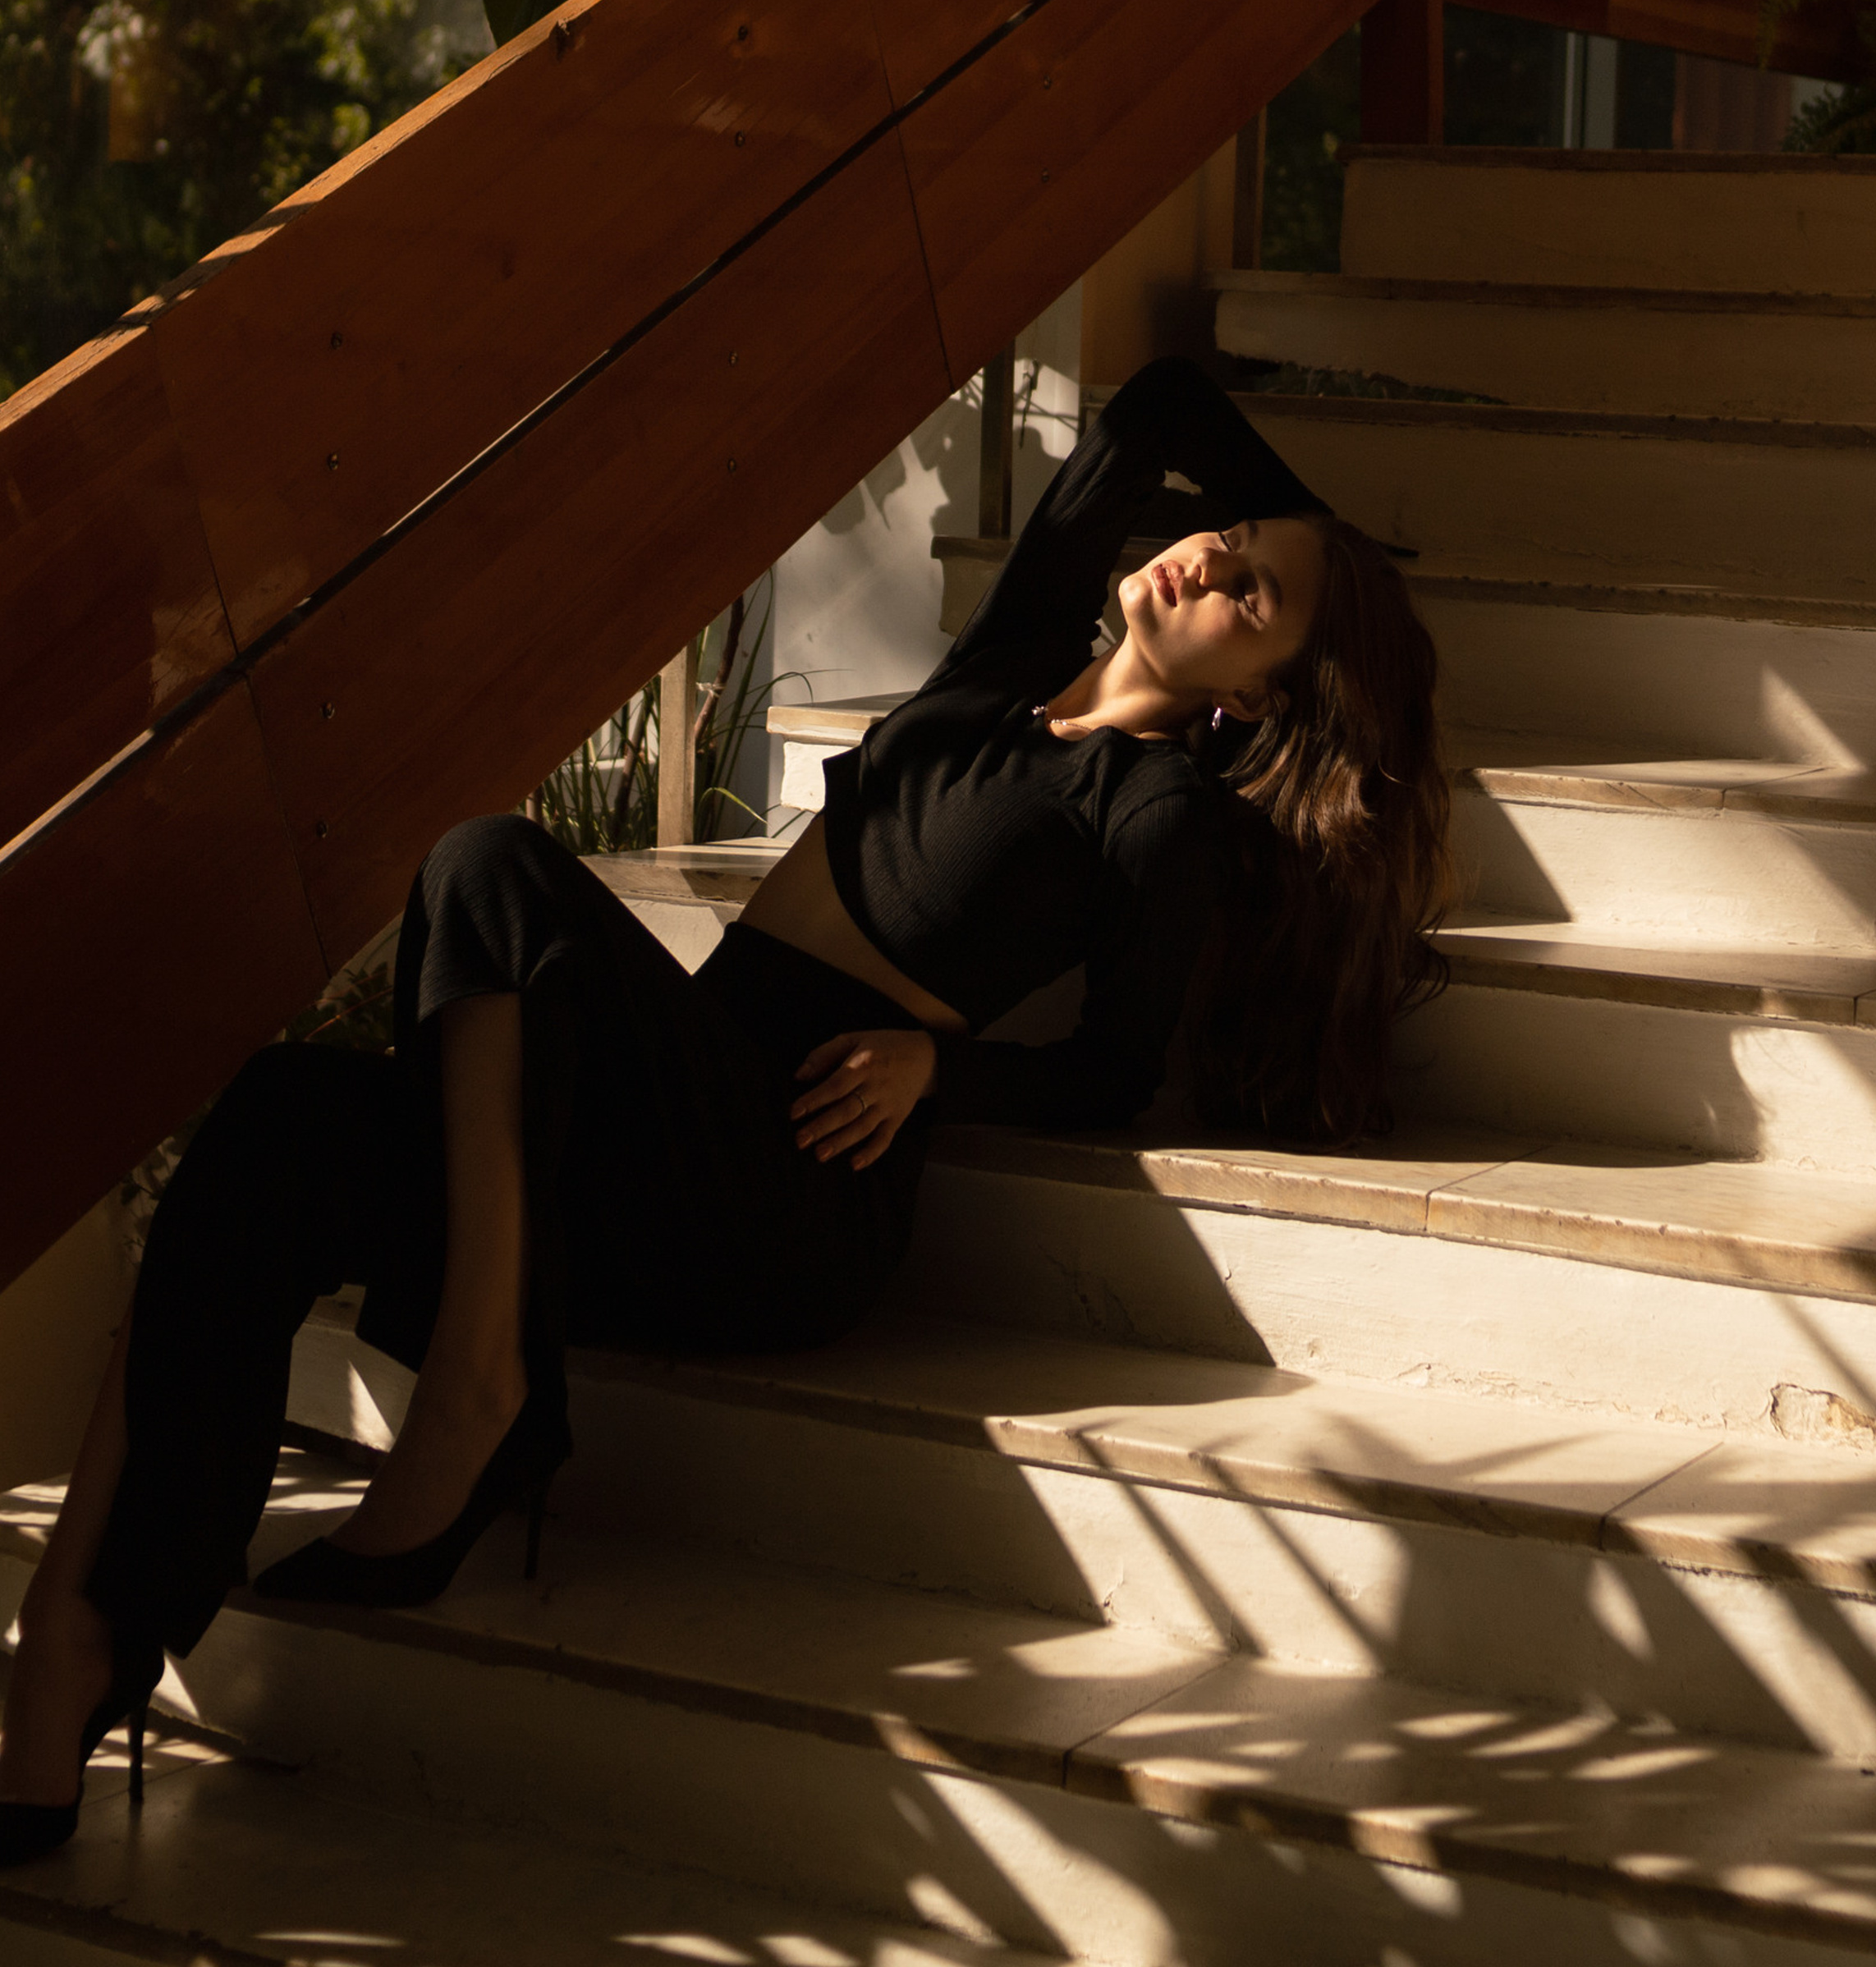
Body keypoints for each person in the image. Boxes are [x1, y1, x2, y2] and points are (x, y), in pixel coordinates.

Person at [0, 355, 1448, 1864]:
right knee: (280, 1113)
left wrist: (940, 1067)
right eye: (1234, 538)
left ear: (1253, 703)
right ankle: (82, 1643)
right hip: (669, 1108)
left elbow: (1111, 1073)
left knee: (490, 864)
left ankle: (479, 1391)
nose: (1212, 560)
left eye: (1255, 601)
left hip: (780, 1193)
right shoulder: (1009, 672)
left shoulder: (1158, 818)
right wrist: (1307, 526)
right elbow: (1153, 408)